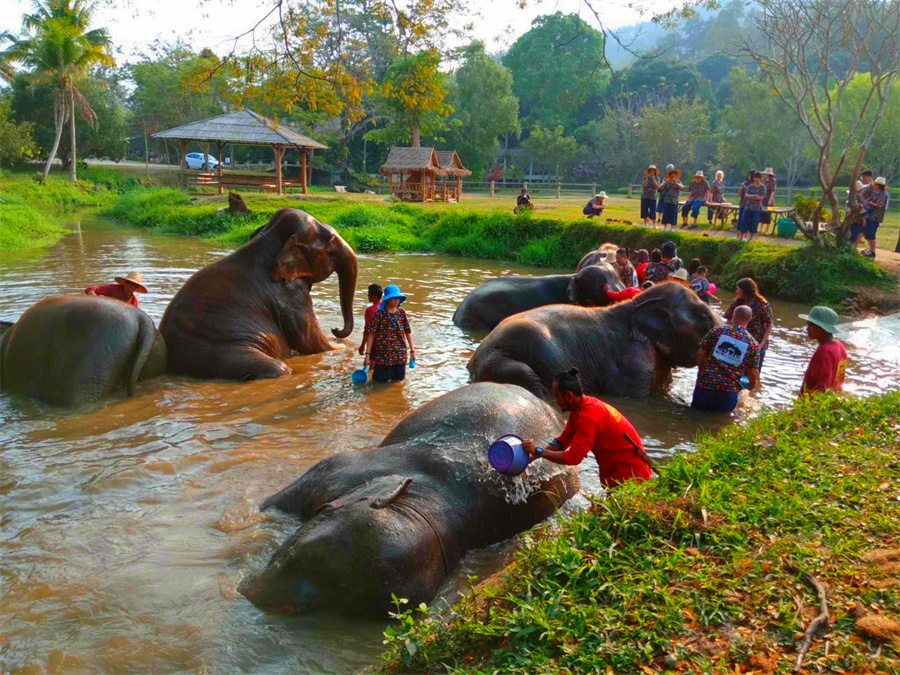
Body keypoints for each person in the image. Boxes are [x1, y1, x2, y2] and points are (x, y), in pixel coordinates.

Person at [522, 369, 654, 488]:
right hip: (624, 475)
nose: (556, 401)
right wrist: (533, 456)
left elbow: (573, 458)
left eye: (557, 396)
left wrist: (539, 451)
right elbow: (563, 441)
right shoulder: (581, 408)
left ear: (569, 396)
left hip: (631, 480)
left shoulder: (588, 416)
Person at [691, 305, 761, 412]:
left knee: (694, 416)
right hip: (729, 391)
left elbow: (700, 353)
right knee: (721, 423)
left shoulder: (718, 331)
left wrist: (702, 371)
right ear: (750, 319)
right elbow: (753, 371)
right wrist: (752, 385)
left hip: (706, 384)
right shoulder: (753, 344)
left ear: (734, 316)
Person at [363, 284, 416, 383]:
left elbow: (408, 331)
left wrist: (412, 350)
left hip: (399, 355)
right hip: (383, 356)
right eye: (394, 299)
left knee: (398, 383)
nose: (397, 301)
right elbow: (371, 333)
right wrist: (367, 354)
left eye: (398, 299)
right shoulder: (379, 314)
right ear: (387, 299)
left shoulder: (401, 313)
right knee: (378, 383)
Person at [725, 277, 773, 371]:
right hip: (738, 343)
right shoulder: (736, 302)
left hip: (756, 343)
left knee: (753, 373)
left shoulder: (762, 305)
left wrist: (761, 344)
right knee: (735, 371)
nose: (736, 291)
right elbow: (728, 321)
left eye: (738, 289)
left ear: (745, 291)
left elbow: (769, 325)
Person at [798, 306, 848, 397]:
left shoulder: (824, 352)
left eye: (811, 325)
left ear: (822, 328)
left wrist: (804, 408)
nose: (807, 328)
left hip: (814, 408)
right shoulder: (840, 346)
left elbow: (821, 389)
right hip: (832, 403)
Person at [859, 177, 889, 258]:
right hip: (871, 216)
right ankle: (870, 250)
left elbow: (879, 205)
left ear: (879, 185)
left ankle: (872, 252)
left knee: (872, 234)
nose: (874, 186)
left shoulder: (883, 193)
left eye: (876, 184)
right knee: (869, 233)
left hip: (875, 216)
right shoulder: (878, 192)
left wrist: (870, 203)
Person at [738, 171, 768, 242]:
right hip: (748, 207)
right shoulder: (750, 186)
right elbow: (746, 195)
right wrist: (755, 196)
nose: (755, 179)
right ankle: (742, 238)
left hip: (756, 208)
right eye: (754, 178)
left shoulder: (763, 187)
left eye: (757, 178)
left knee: (754, 222)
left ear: (760, 179)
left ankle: (750, 238)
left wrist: (751, 197)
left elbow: (761, 198)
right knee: (744, 221)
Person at [358, 284, 383, 362]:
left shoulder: (370, 310)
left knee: (372, 368)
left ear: (374, 297)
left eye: (369, 294)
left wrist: (362, 346)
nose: (367, 295)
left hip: (375, 343)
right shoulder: (387, 308)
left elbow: (368, 330)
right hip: (386, 343)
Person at [850, 170, 875, 247]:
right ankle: (855, 246)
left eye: (864, 177)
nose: (862, 179)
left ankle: (868, 249)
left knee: (868, 231)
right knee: (861, 230)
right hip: (862, 211)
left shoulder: (872, 187)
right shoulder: (866, 187)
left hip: (868, 211)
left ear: (869, 177)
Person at [759, 168, 777, 234]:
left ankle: (767, 230)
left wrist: (770, 200)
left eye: (765, 174)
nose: (764, 175)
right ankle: (761, 229)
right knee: (762, 213)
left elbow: (773, 191)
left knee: (768, 214)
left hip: (769, 201)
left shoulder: (773, 181)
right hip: (764, 200)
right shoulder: (765, 181)